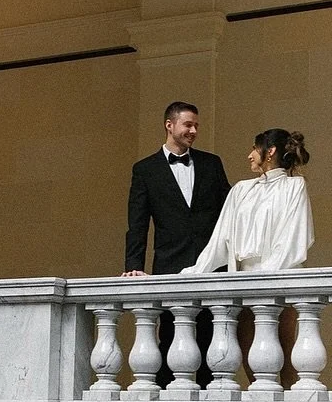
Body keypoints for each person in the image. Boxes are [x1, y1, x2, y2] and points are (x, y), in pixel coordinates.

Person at [123, 101, 231, 276]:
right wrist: (134, 267)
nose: (194, 131)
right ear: (169, 125)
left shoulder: (212, 163)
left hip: (213, 265)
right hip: (170, 264)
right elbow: (137, 224)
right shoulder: (145, 170)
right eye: (188, 125)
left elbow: (229, 210)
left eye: (196, 126)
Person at [184, 128, 313, 274]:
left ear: (270, 151)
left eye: (255, 149)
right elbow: (219, 241)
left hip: (280, 276)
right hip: (244, 278)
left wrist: (264, 275)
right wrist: (194, 272)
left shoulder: (294, 186)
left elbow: (293, 239)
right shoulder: (241, 190)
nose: (249, 156)